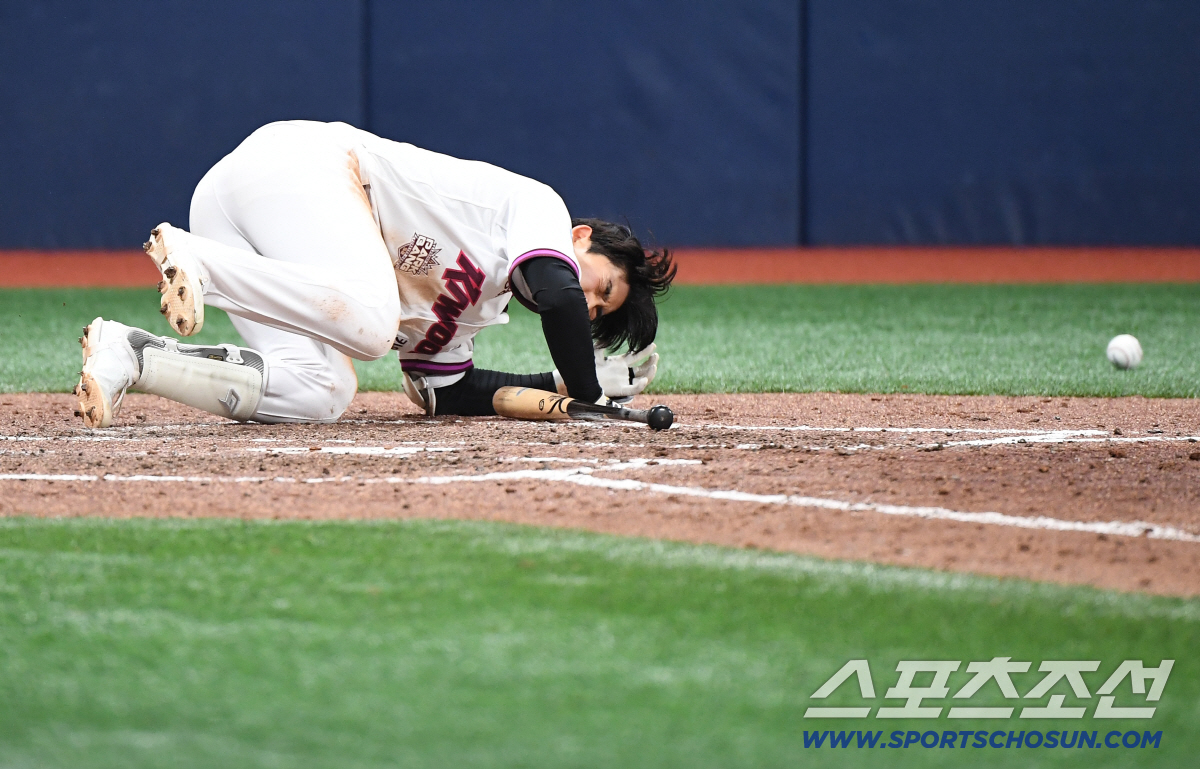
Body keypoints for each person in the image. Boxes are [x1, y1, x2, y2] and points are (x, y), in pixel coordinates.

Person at [73, 121, 674, 428]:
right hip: (298, 165)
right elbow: (559, 295)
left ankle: (134, 356)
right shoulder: (539, 208)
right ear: (581, 239)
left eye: (599, 311)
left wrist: (560, 382)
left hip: (245, 221)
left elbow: (448, 393)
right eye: (603, 286)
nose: (588, 303)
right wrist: (589, 391)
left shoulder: (479, 309)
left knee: (321, 391)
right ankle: (202, 263)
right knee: (371, 321)